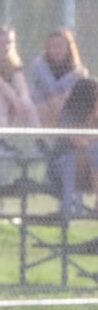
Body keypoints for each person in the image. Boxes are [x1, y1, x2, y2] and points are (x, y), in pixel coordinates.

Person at [47, 77, 98, 219]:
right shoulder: (68, 114)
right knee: (95, 150)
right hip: (60, 166)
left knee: (95, 151)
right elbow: (79, 142)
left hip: (86, 168)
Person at [27, 29, 88, 127]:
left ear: (69, 48)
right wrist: (72, 79)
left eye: (59, 47)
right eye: (51, 47)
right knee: (58, 101)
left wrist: (79, 77)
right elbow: (52, 90)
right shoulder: (39, 64)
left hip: (66, 108)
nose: (55, 50)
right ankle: (65, 136)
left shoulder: (77, 68)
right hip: (39, 107)